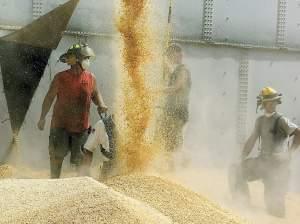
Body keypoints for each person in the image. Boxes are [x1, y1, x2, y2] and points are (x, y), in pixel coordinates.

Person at [37, 43, 108, 178]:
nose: (88, 61)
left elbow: (95, 94)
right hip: (60, 127)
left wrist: (101, 104)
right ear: (75, 59)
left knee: (82, 161)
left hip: (81, 128)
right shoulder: (60, 78)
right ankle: (54, 184)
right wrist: (42, 118)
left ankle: (81, 188)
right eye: (85, 58)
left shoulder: (91, 78)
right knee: (56, 157)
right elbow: (49, 98)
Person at [229, 87, 300, 217]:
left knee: (274, 209)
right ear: (263, 103)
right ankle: (242, 203)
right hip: (262, 162)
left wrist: (289, 154)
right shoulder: (260, 121)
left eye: (274, 101)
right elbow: (251, 140)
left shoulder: (281, 120)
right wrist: (242, 156)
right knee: (237, 170)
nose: (272, 104)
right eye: (269, 101)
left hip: (277, 168)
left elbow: (298, 133)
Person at [160, 44, 191, 154]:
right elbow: (170, 72)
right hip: (172, 111)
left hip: (178, 112)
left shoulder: (183, 70)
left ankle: (183, 165)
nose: (169, 58)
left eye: (169, 55)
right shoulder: (177, 70)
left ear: (176, 54)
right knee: (168, 141)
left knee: (175, 143)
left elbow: (176, 87)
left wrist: (156, 90)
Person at [81, 113, 116, 179]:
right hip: (108, 172)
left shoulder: (136, 123)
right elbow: (88, 149)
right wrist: (84, 174)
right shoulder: (101, 125)